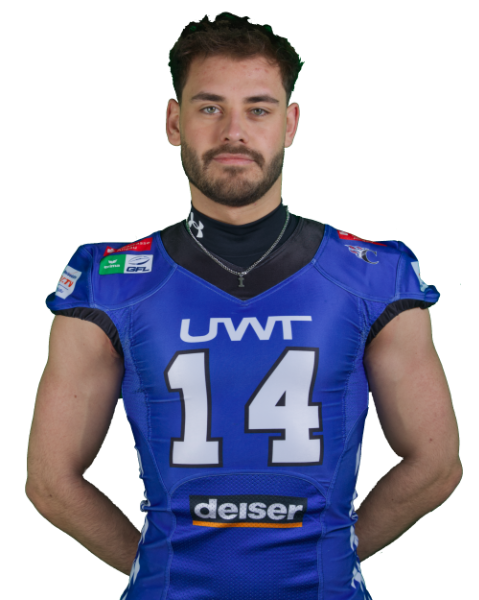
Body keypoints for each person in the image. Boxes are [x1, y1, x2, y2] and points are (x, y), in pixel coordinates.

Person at [25, 12, 462, 600]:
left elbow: (436, 465)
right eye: (210, 107)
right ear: (174, 122)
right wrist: (161, 570)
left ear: (291, 124)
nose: (234, 131)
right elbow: (50, 482)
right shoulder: (110, 281)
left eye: (258, 109)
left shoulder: (372, 275)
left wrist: (331, 555)